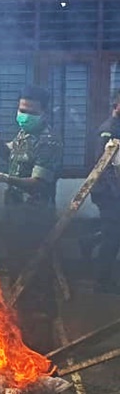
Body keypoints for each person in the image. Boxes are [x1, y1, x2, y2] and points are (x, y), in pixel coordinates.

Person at [0, 84, 62, 349]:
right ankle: (21, 329)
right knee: (16, 271)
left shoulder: (49, 141)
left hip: (35, 220)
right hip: (15, 217)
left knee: (36, 275)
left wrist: (4, 178)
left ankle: (42, 338)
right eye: (21, 109)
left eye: (30, 111)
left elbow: (38, 182)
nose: (23, 115)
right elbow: (13, 152)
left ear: (45, 113)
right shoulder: (25, 133)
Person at [83, 91, 120, 293]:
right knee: (114, 235)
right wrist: (116, 194)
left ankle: (88, 241)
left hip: (115, 190)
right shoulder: (108, 130)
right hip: (108, 192)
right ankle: (102, 281)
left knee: (112, 230)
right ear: (116, 103)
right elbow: (103, 166)